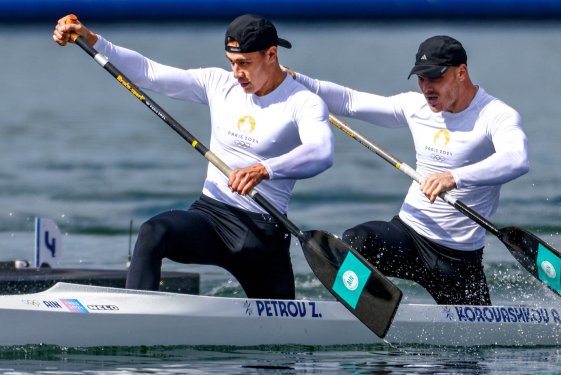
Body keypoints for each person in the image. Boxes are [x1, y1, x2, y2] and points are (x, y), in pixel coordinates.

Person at [53, 14, 334, 300]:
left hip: (261, 234)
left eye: (245, 63)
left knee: (281, 333)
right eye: (232, 62)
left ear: (271, 55)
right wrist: (91, 39)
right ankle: (135, 316)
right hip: (211, 216)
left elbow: (321, 152)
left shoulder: (303, 102)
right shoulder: (218, 83)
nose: (237, 73)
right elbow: (149, 72)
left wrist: (264, 169)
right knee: (154, 231)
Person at [286, 35, 529, 305]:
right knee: (357, 241)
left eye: (435, 78)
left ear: (461, 72)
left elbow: (516, 158)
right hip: (408, 237)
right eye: (421, 79)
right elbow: (349, 101)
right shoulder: (415, 107)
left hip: (458, 259)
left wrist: (455, 177)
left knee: (473, 347)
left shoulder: (495, 115)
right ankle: (369, 311)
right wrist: (294, 79)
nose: (427, 88)